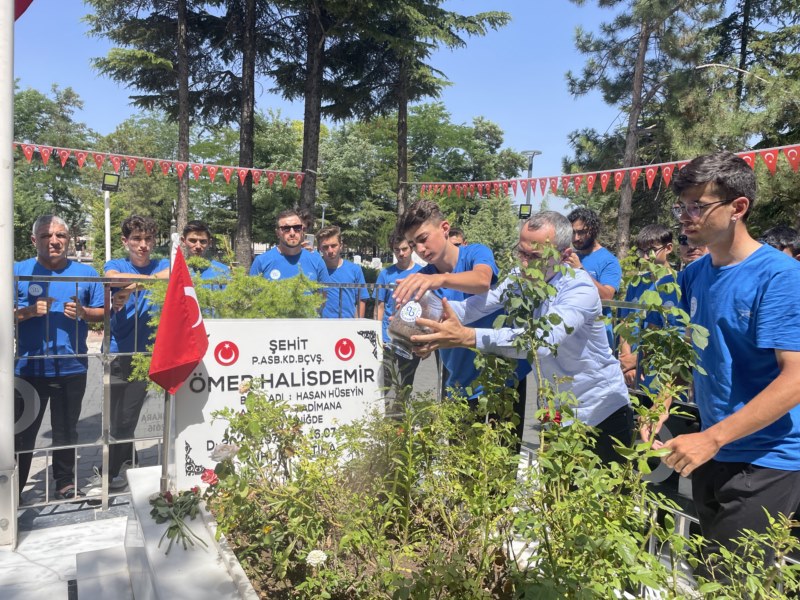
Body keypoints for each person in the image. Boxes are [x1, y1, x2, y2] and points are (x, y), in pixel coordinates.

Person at [643, 150, 800, 574]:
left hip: (766, 457)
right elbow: (683, 353)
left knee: (729, 579)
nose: (685, 216)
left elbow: (796, 379)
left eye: (698, 205)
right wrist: (658, 409)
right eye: (682, 206)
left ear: (738, 208)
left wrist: (713, 438)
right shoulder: (694, 275)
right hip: (713, 446)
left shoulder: (779, 276)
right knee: (706, 570)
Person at [411, 211, 632, 465]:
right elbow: (481, 304)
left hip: (599, 412)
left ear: (564, 255)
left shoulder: (579, 289)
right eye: (521, 252)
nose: (524, 263)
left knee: (603, 500)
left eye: (534, 256)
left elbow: (541, 341)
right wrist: (432, 318)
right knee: (556, 496)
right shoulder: (521, 277)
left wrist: (466, 336)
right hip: (557, 412)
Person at [14, 216, 105, 500]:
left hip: (72, 367)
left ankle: (65, 482)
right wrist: (28, 312)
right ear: (34, 240)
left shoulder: (87, 273)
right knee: (21, 435)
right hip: (27, 369)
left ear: (69, 239)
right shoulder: (16, 271)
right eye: (46, 236)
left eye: (60, 235)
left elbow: (103, 311)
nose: (54, 241)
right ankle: (12, 491)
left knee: (66, 430)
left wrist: (84, 313)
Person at [85, 215, 170, 498]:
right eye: (137, 240)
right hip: (117, 350)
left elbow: (168, 277)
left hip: (147, 352)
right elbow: (113, 279)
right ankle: (127, 463)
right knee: (113, 415)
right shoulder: (116, 264)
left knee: (126, 416)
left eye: (148, 239)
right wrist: (143, 283)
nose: (143, 245)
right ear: (125, 242)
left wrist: (130, 288)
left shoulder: (163, 263)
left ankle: (111, 471)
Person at [393, 200, 500, 397]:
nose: (420, 249)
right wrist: (415, 339)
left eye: (423, 238)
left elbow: (482, 280)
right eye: (413, 244)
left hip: (502, 379)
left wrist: (439, 279)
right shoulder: (425, 281)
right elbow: (428, 329)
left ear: (444, 228)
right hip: (460, 384)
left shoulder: (475, 253)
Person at [618, 224, 677, 389]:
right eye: (641, 251)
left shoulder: (679, 284)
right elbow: (625, 324)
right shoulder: (637, 283)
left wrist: (637, 360)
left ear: (669, 248)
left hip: (664, 371)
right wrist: (627, 359)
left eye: (651, 250)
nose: (645, 257)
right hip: (632, 370)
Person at [375, 231, 424, 391]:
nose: (401, 253)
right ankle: (382, 412)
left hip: (411, 337)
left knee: (406, 382)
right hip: (388, 337)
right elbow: (379, 306)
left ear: (411, 248)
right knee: (385, 381)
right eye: (397, 250)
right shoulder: (385, 274)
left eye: (404, 249)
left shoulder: (423, 273)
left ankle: (400, 415)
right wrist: (377, 334)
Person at [566, 207, 622, 347]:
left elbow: (607, 296)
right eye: (573, 232)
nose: (576, 238)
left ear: (593, 230)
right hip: (572, 333)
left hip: (596, 336)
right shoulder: (569, 257)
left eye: (581, 232)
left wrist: (580, 270)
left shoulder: (609, 260)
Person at [249, 209, 326, 282]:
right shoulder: (261, 261)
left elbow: (323, 295)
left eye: (297, 228)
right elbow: (251, 294)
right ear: (277, 233)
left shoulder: (317, 261)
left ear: (302, 230)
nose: (292, 233)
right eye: (286, 228)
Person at [318, 225, 369, 318]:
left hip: (347, 326)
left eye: (334, 246)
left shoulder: (355, 270)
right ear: (320, 248)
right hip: (321, 325)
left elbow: (361, 300)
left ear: (341, 245)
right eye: (325, 247)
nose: (330, 250)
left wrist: (357, 326)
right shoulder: (316, 270)